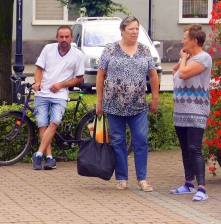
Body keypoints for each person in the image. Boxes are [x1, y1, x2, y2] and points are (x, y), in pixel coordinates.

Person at [96, 15, 159, 191]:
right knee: (118, 141)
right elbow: (100, 75)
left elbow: (153, 75)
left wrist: (155, 98)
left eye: (137, 29)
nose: (135, 32)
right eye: (131, 29)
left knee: (141, 140)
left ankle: (142, 179)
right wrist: (99, 101)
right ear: (122, 30)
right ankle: (122, 178)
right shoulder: (110, 50)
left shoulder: (145, 50)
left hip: (138, 105)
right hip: (114, 105)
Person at [31, 25, 85, 170]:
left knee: (54, 123)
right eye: (61, 37)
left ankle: (37, 155)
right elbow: (39, 69)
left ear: (72, 38)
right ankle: (49, 158)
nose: (64, 39)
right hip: (42, 93)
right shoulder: (48, 49)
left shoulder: (78, 55)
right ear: (57, 38)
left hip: (60, 95)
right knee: (43, 125)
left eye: (67, 37)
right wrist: (37, 82)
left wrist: (62, 84)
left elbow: (79, 79)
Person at [170, 24, 212, 201]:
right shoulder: (187, 57)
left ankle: (201, 188)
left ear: (194, 41)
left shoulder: (204, 58)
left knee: (194, 148)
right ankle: (188, 183)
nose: (182, 41)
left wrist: (183, 59)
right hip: (181, 110)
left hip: (196, 111)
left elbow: (183, 73)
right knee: (185, 149)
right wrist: (183, 59)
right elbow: (175, 70)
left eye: (185, 38)